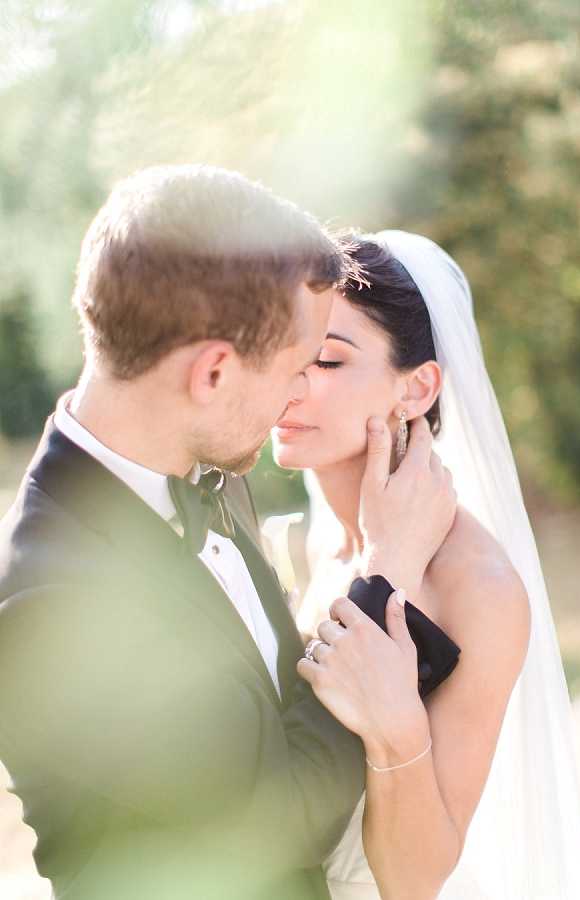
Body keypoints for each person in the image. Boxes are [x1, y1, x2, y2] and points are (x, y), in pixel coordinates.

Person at [0, 169, 458, 900]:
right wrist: (388, 569)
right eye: (296, 366)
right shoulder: (53, 600)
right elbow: (280, 814)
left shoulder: (209, 473)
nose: (296, 395)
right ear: (213, 371)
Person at [272, 232, 580, 899]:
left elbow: (416, 877)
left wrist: (396, 734)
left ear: (417, 388)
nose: (289, 385)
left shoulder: (477, 587)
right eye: (282, 352)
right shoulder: (325, 537)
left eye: (328, 361)